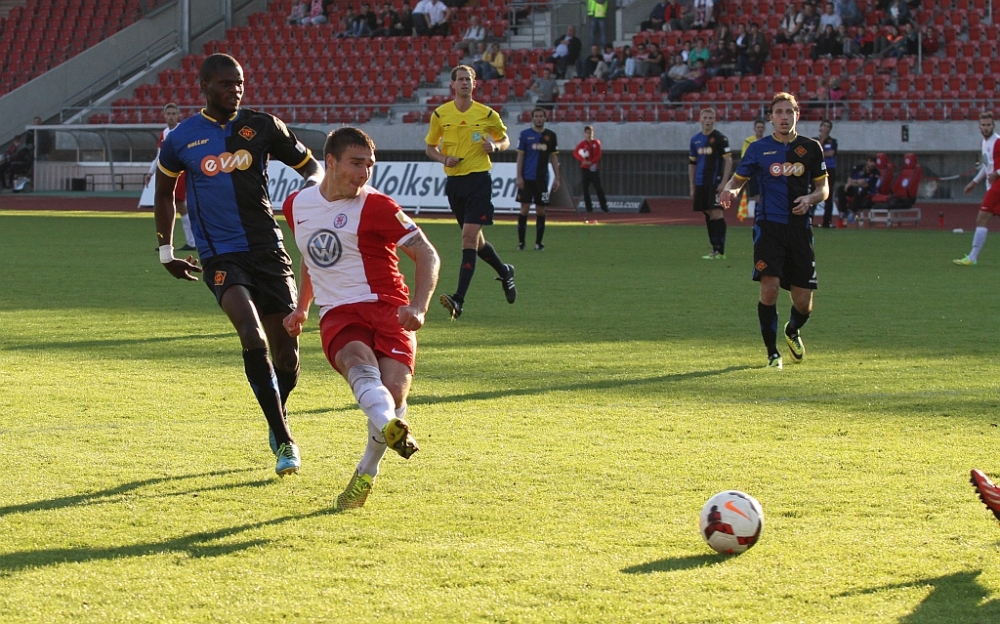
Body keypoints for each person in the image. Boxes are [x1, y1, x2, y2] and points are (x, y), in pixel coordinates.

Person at [153, 53, 323, 475]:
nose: (236, 90)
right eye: (226, 83)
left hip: (268, 249)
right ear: (205, 86)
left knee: (287, 353)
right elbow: (163, 194)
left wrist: (311, 195)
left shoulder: (264, 126)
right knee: (251, 333)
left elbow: (312, 169)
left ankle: (276, 413)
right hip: (220, 254)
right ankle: (285, 441)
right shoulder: (181, 138)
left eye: (240, 82)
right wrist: (165, 251)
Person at [282, 127, 439, 510]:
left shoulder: (377, 206)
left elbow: (427, 253)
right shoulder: (296, 205)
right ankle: (389, 426)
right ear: (331, 162)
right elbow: (310, 255)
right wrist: (303, 306)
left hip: (389, 308)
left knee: (394, 394)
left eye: (369, 165)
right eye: (356, 164)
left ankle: (366, 471)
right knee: (356, 360)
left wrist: (419, 306)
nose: (364, 173)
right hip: (339, 311)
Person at [719, 92, 829, 369]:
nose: (784, 117)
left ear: (797, 115)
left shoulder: (811, 147)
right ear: (771, 118)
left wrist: (810, 198)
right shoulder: (758, 148)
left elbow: (823, 188)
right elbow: (737, 180)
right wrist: (730, 191)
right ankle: (772, 354)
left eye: (789, 112)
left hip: (799, 229)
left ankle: (792, 330)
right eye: (779, 112)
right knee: (769, 289)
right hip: (768, 226)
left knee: (803, 302)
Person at [425, 65, 516, 320]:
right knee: (477, 242)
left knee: (467, 239)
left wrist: (496, 146)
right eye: (460, 79)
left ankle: (459, 299)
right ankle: (505, 272)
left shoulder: (487, 113)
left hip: (479, 181)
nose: (464, 83)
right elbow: (430, 148)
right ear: (453, 84)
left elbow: (505, 139)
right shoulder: (440, 114)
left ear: (474, 84)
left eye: (468, 79)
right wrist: (444, 158)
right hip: (455, 184)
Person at [144, 103, 195, 251]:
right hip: (166, 172)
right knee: (167, 203)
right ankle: (168, 243)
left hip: (181, 172)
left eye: (173, 114)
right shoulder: (164, 133)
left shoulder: (182, 131)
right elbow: (159, 156)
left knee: (179, 204)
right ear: (165, 116)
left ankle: (191, 242)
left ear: (178, 115)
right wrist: (150, 172)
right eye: (169, 114)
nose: (171, 116)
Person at [954, 111, 1000, 266]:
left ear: (993, 125)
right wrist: (974, 182)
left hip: (997, 186)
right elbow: (987, 167)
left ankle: (972, 257)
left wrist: (997, 173)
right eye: (983, 125)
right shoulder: (984, 143)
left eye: (988, 125)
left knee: (981, 218)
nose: (986, 128)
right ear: (979, 126)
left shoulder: (997, 142)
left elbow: (994, 170)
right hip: (992, 186)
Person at [689, 108, 732, 259]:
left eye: (710, 118)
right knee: (707, 212)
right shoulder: (695, 140)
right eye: (705, 118)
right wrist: (692, 186)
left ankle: (720, 250)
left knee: (717, 212)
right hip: (701, 182)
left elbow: (728, 161)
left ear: (714, 120)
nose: (707, 121)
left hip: (715, 181)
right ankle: (714, 248)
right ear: (700, 119)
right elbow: (692, 164)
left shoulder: (720, 138)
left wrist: (724, 183)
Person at [516, 107, 561, 250]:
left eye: (541, 116)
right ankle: (521, 243)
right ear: (532, 118)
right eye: (536, 116)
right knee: (524, 209)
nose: (539, 118)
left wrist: (557, 177)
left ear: (545, 118)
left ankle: (538, 243)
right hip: (527, 178)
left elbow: (553, 157)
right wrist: (519, 176)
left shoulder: (551, 136)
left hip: (542, 179)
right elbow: (520, 156)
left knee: (541, 210)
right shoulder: (525, 135)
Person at [736, 118, 767, 219]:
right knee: (757, 197)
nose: (760, 129)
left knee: (764, 198)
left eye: (762, 127)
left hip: (765, 173)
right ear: (754, 129)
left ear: (764, 129)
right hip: (754, 173)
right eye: (758, 127)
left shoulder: (767, 142)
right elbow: (744, 157)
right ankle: (757, 221)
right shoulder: (749, 141)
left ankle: (763, 220)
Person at [835, 154, 879, 223]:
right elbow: (850, 179)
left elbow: (865, 185)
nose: (872, 164)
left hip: (867, 191)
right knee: (841, 188)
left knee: (858, 189)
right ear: (867, 161)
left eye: (874, 162)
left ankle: (852, 211)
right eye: (871, 161)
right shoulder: (858, 168)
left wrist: (852, 183)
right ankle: (843, 211)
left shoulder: (876, 172)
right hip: (855, 187)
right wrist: (855, 182)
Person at [574, 125, 609, 213]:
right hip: (584, 169)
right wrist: (582, 160)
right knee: (585, 189)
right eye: (587, 133)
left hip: (593, 168)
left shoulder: (596, 143)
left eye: (590, 133)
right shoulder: (582, 143)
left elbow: (598, 155)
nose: (589, 135)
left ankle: (604, 207)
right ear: (584, 133)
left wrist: (591, 162)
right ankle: (589, 208)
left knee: (598, 188)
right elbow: (575, 153)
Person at [815, 119, 838, 228]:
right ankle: (809, 220)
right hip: (817, 168)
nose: (825, 128)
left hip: (829, 169)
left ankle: (827, 222)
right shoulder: (815, 140)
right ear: (820, 127)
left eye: (828, 126)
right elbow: (815, 153)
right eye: (824, 125)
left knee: (829, 194)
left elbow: (831, 153)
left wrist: (822, 153)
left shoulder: (833, 141)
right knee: (814, 192)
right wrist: (822, 142)